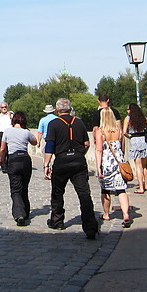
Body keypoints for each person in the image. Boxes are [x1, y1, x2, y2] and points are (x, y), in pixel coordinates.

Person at [43, 98, 99, 239]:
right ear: (70, 108)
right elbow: (86, 143)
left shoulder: (53, 124)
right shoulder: (79, 122)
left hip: (61, 161)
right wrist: (80, 154)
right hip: (78, 162)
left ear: (57, 110)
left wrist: (46, 165)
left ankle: (57, 220)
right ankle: (90, 226)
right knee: (84, 194)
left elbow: (50, 146)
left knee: (57, 192)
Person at [95, 106, 132, 228]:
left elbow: (99, 150)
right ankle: (126, 214)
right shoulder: (119, 131)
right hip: (119, 162)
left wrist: (98, 167)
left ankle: (106, 213)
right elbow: (122, 147)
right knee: (121, 190)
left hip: (107, 163)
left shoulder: (100, 132)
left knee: (105, 190)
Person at [0, 111, 38, 226]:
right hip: (25, 160)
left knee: (15, 189)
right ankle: (25, 211)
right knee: (24, 187)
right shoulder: (26, 132)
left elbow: (2, 149)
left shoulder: (7, 132)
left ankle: (19, 214)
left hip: (13, 159)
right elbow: (35, 142)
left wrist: (2, 160)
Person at [123, 103, 147, 193]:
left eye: (128, 109)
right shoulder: (144, 118)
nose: (127, 111)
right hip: (144, 141)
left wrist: (130, 136)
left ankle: (141, 187)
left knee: (138, 165)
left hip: (135, 141)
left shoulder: (128, 119)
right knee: (145, 165)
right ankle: (146, 184)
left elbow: (124, 132)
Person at [0, 103, 13, 170]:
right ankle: (3, 165)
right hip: (1, 134)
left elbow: (15, 123)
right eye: (2, 107)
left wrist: (10, 116)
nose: (4, 108)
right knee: (3, 150)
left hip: (10, 133)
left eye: (5, 107)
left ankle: (9, 165)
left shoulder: (10, 115)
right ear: (0, 108)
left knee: (10, 150)